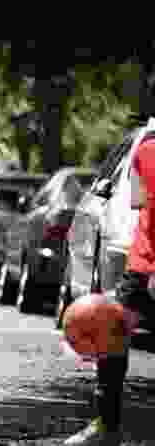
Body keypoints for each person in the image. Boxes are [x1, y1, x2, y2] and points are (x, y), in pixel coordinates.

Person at [63, 128, 155, 445]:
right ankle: (106, 428)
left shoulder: (148, 148)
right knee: (110, 335)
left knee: (109, 337)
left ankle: (106, 427)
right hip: (141, 267)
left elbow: (139, 201)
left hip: (145, 267)